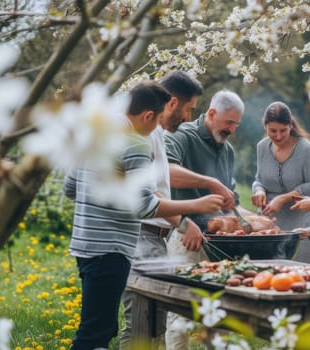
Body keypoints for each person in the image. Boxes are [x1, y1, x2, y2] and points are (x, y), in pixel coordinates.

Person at [63, 81, 224, 350]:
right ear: (148, 115)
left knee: (101, 327)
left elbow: (71, 188)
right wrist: (197, 205)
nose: (158, 129)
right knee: (94, 334)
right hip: (111, 248)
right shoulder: (137, 142)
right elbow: (144, 206)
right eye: (159, 120)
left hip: (85, 245)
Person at [119, 71, 204, 349]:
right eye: (189, 109)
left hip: (154, 237)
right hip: (141, 236)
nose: (189, 118)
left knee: (154, 324)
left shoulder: (155, 133)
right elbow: (149, 193)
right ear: (172, 102)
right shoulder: (146, 133)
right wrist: (184, 222)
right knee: (141, 325)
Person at [163, 89, 246, 349]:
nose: (232, 129)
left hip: (220, 243)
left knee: (218, 312)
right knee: (181, 312)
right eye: (228, 122)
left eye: (236, 124)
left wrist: (253, 220)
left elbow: (231, 201)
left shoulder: (228, 150)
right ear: (211, 113)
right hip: (186, 236)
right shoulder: (181, 135)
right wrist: (209, 182)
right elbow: (165, 172)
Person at [251, 101, 310, 264]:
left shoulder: (306, 149)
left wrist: (283, 198)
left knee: (302, 275)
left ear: (290, 126)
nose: (279, 136)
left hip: (301, 225)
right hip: (270, 226)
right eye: (272, 131)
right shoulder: (261, 147)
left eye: (283, 130)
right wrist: (259, 190)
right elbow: (258, 180)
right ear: (265, 127)